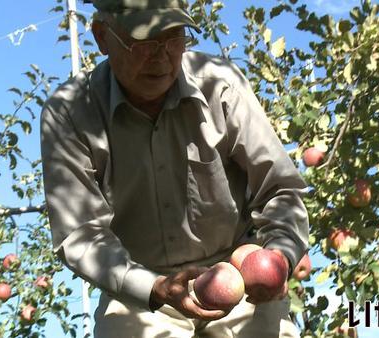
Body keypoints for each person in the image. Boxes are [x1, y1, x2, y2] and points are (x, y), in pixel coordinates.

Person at [40, 0, 309, 336]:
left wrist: (280, 256)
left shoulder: (219, 86)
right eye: (144, 42)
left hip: (237, 274)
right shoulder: (70, 114)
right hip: (140, 289)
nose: (163, 55)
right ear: (102, 37)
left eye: (174, 37)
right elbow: (80, 232)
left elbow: (279, 187)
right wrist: (152, 287)